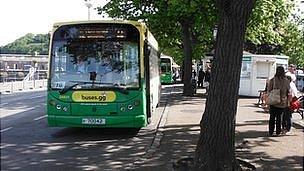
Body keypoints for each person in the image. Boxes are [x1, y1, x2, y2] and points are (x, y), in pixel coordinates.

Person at [267, 66, 290, 136]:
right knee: (279, 117)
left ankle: (271, 131)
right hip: (282, 101)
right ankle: (278, 131)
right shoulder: (286, 81)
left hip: (273, 101)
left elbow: (269, 91)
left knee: (272, 117)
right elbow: (288, 91)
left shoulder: (272, 80)